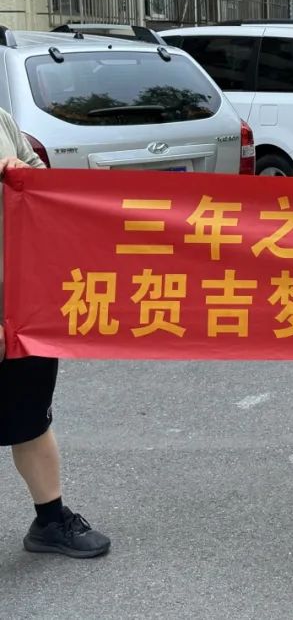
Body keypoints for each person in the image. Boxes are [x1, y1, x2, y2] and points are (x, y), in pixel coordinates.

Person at [0, 107, 110, 558]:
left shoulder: (0, 118)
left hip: (19, 289)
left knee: (30, 416)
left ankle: (50, 521)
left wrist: (26, 173)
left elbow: (40, 177)